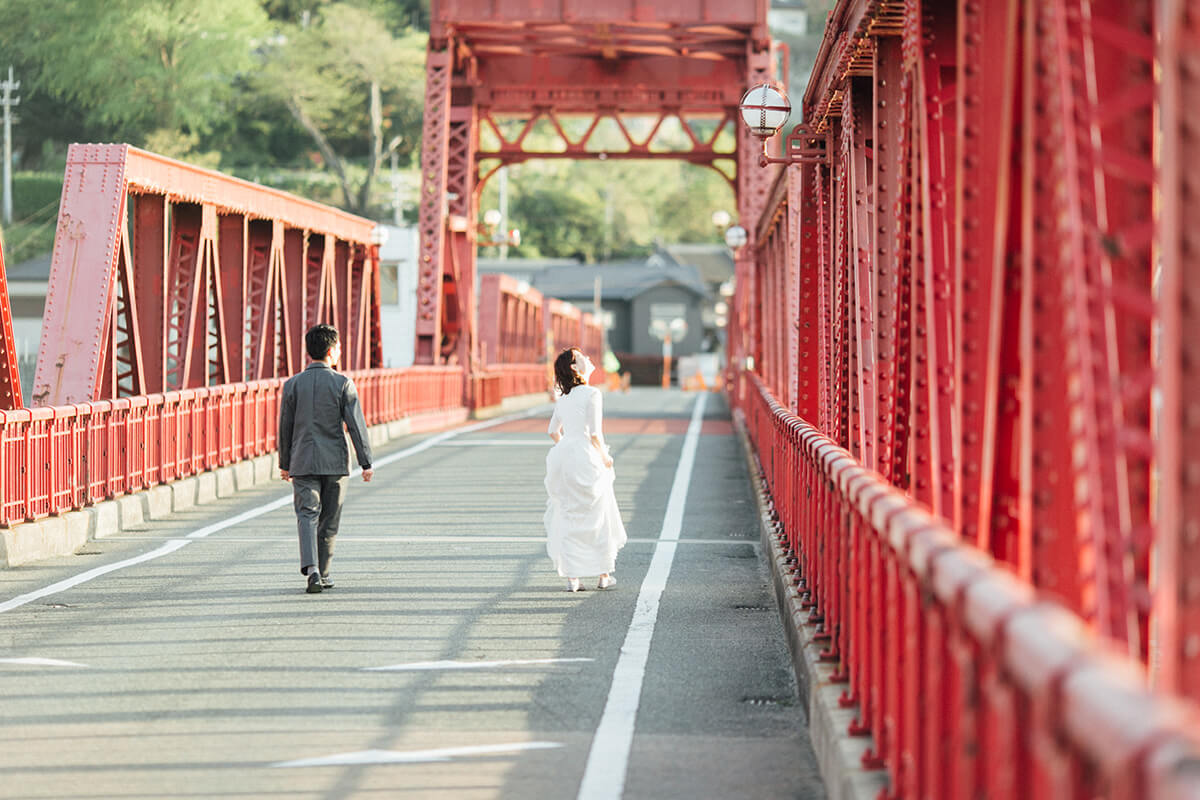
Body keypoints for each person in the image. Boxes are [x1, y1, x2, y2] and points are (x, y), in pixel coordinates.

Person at [278, 324, 374, 594]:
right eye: (339, 348)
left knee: (307, 515)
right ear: (331, 351)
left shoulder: (292, 385)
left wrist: (285, 464)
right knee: (329, 519)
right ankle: (325, 571)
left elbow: (285, 428)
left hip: (303, 460)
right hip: (334, 463)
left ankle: (312, 570)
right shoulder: (343, 383)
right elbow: (356, 425)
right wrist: (365, 462)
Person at [544, 347, 627, 592]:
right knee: (598, 513)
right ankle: (603, 575)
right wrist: (605, 457)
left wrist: (566, 449)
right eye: (582, 358)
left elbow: (552, 431)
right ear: (574, 367)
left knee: (570, 514)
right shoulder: (592, 394)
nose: (588, 359)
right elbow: (594, 434)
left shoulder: (563, 398)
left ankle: (573, 579)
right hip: (587, 457)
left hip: (565, 457)